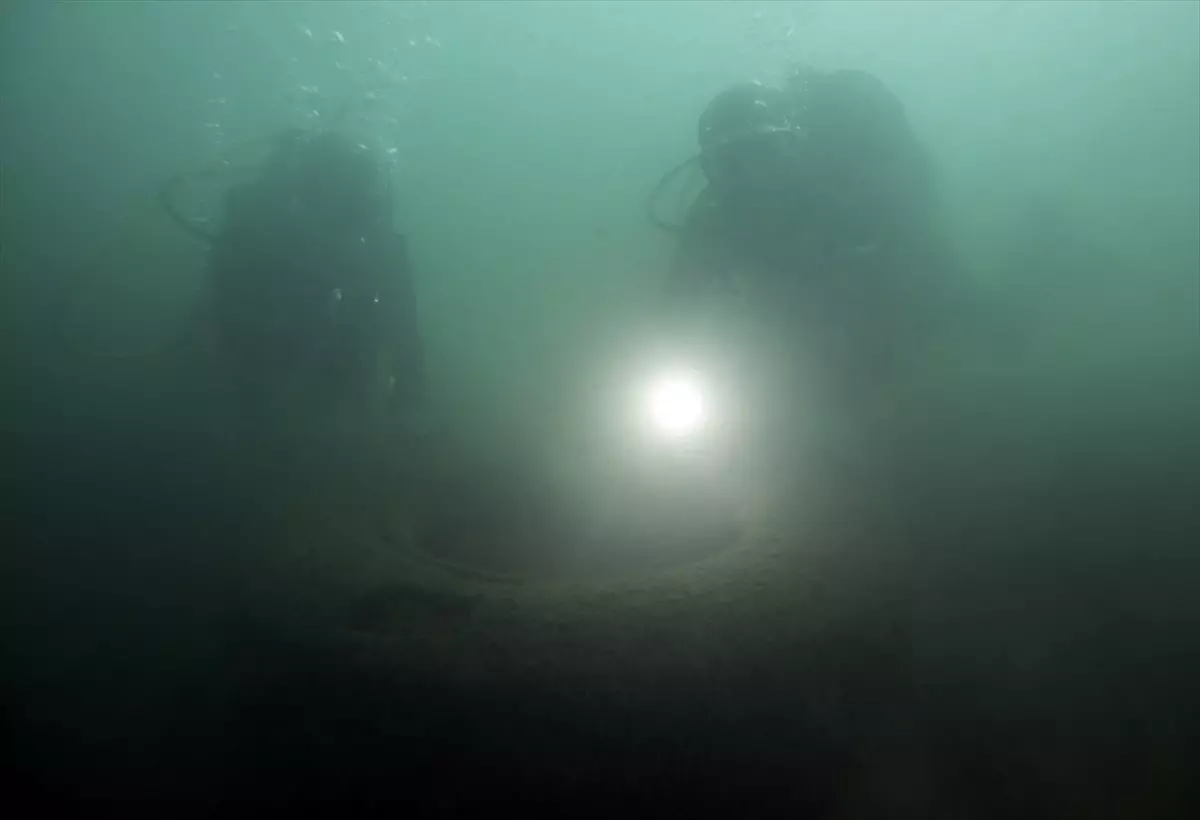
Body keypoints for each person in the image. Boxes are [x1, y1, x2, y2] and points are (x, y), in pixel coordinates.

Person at [659, 68, 972, 410]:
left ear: (792, 148)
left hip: (880, 325)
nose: (751, 177)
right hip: (790, 352)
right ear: (710, 171)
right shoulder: (711, 221)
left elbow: (914, 266)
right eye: (731, 164)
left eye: (763, 154)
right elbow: (678, 305)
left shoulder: (841, 192)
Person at [205, 129, 426, 444]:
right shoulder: (264, 226)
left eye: (355, 204)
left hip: (321, 367)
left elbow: (403, 318)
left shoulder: (378, 242)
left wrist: (409, 391)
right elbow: (224, 307)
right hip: (268, 358)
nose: (341, 213)